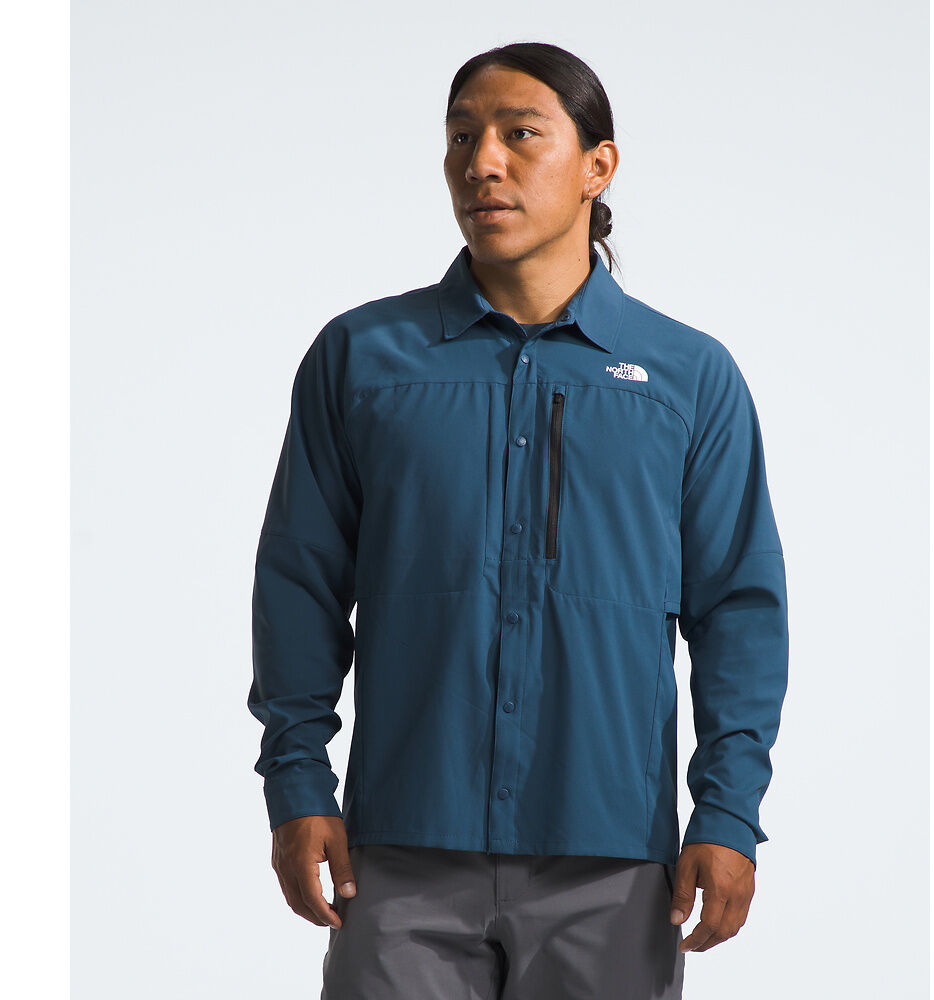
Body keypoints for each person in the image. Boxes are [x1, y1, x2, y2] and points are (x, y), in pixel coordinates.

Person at [248, 41, 789, 1000]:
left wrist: (728, 813)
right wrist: (297, 783)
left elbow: (738, 611)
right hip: (399, 853)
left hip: (615, 860)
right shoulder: (362, 359)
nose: (482, 163)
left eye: (520, 134)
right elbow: (299, 585)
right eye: (461, 137)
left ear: (597, 166)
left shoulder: (687, 378)